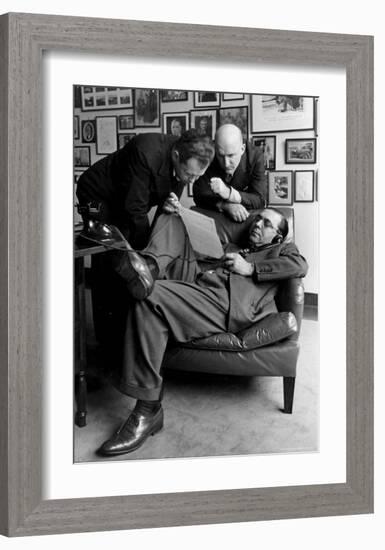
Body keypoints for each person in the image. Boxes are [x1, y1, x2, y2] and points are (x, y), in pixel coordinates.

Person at [96, 206, 308, 456]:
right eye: (257, 219)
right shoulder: (235, 248)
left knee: (148, 296)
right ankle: (150, 267)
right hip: (199, 281)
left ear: (278, 237)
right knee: (171, 215)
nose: (257, 224)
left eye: (266, 224)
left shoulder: (282, 250)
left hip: (226, 303)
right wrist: (181, 212)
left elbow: (300, 264)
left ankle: (147, 409)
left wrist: (250, 268)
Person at [76, 130, 215, 250]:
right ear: (176, 156)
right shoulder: (145, 152)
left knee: (127, 244)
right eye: (189, 174)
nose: (191, 181)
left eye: (197, 176)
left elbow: (164, 210)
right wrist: (145, 250)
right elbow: (135, 208)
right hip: (95, 192)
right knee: (108, 245)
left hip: (123, 197)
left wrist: (154, 246)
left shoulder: (186, 161)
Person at [193, 124, 267, 223]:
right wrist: (225, 205)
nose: (226, 163)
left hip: (245, 218)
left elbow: (259, 200)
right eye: (220, 156)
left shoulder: (255, 157)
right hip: (214, 217)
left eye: (231, 155)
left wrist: (229, 193)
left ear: (242, 149)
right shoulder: (209, 152)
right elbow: (198, 195)